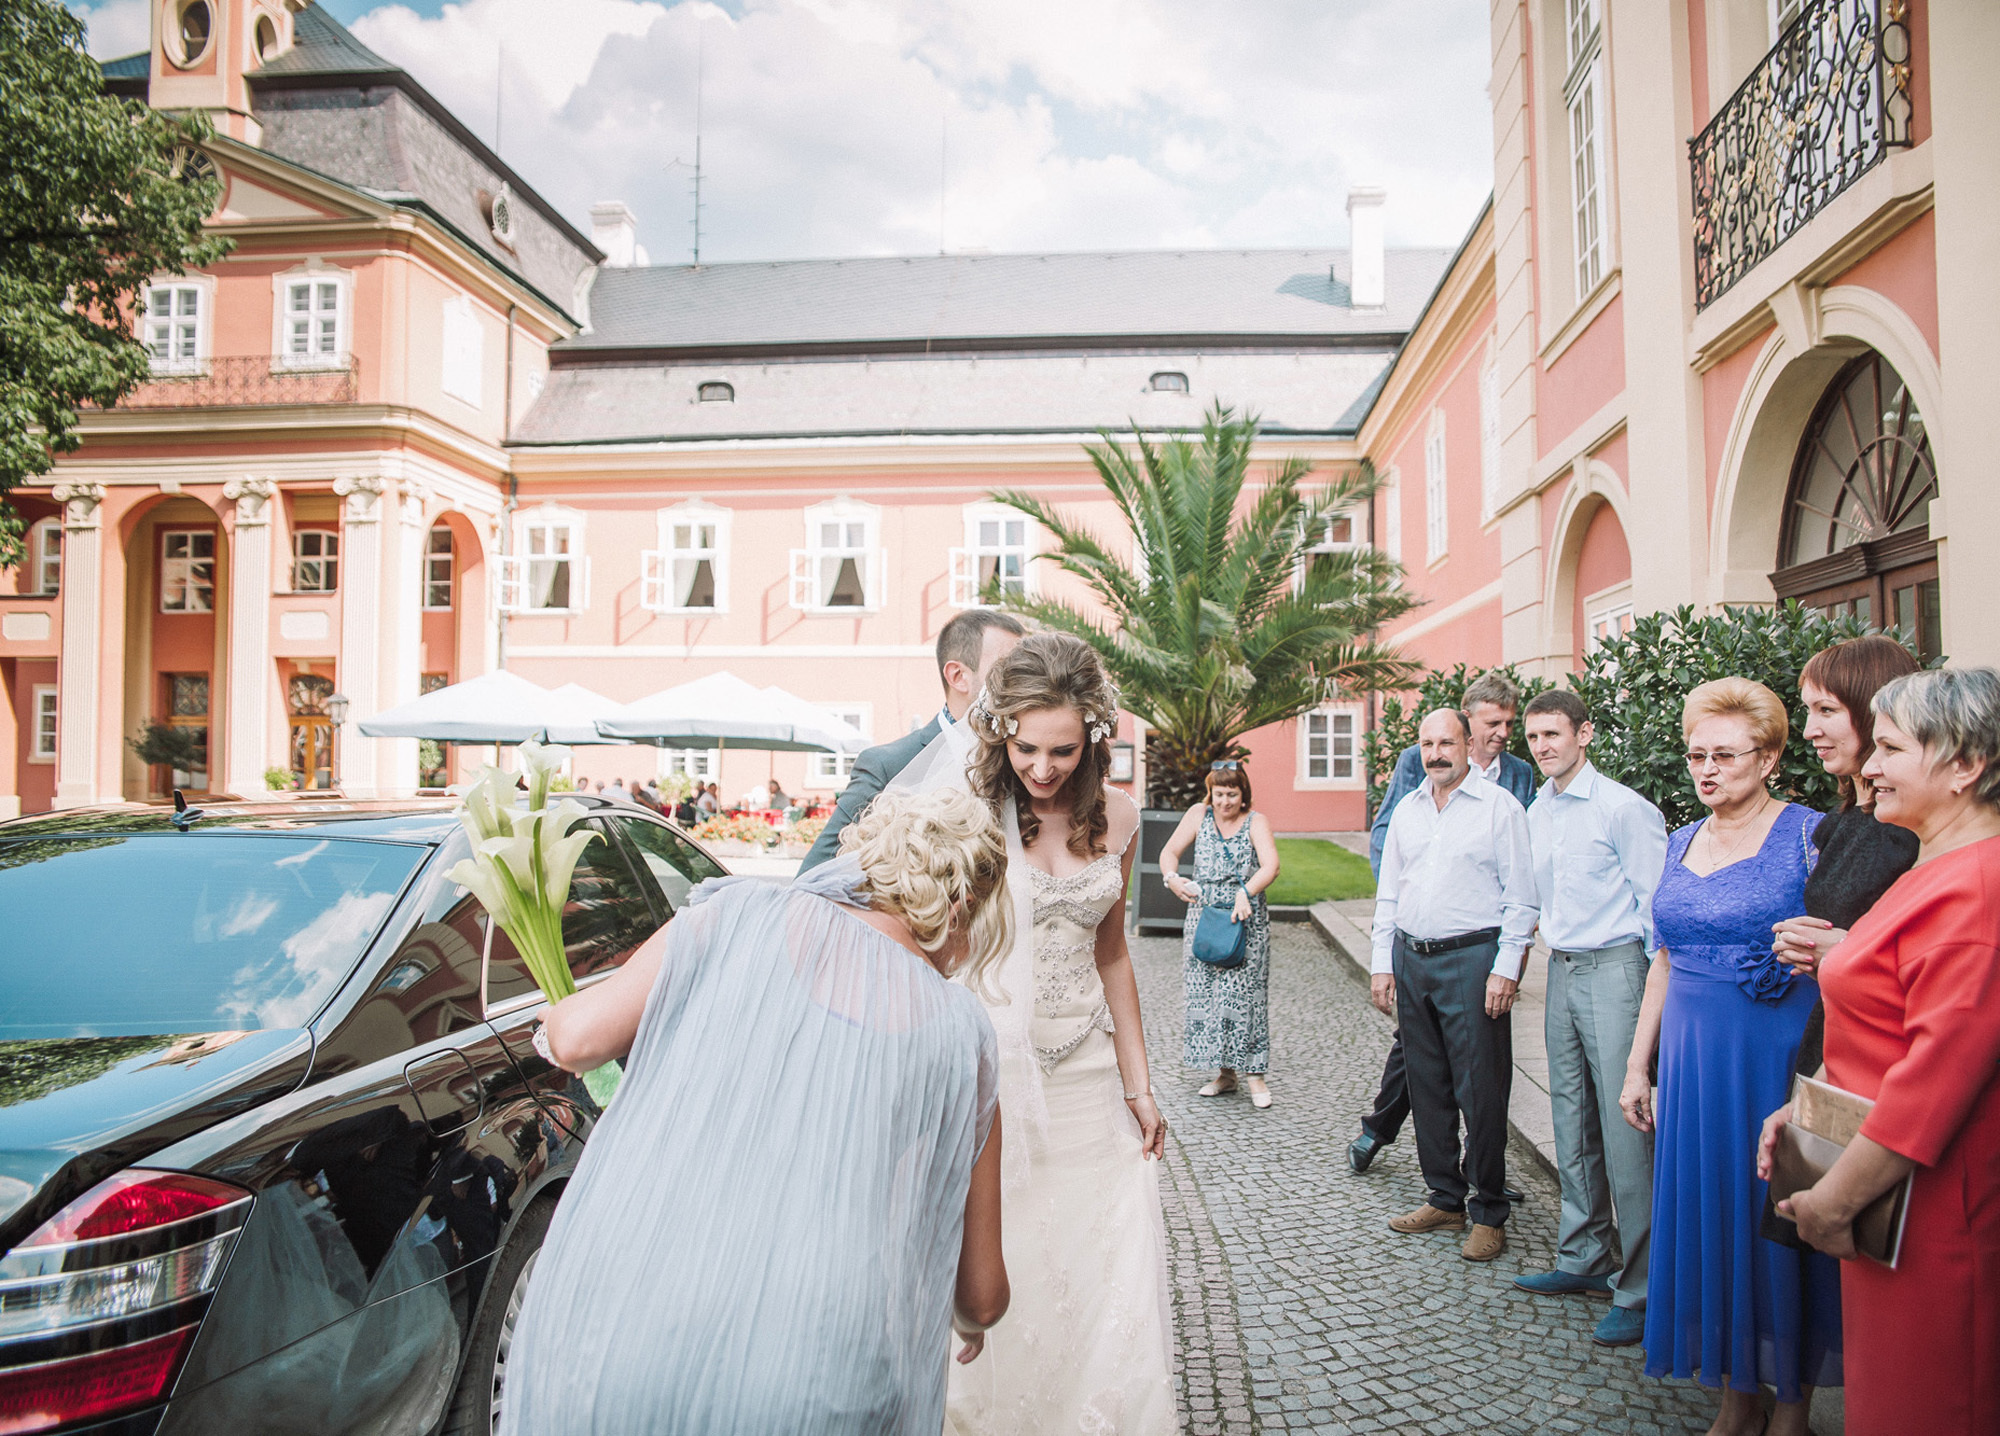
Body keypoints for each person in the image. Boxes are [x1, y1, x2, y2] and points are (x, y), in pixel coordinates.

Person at [497, 786, 1013, 1435]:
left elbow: (575, 1040)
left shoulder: (735, 911)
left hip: (624, 1319)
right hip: (816, 1368)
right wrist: (966, 1319)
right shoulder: (963, 1035)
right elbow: (983, 1297)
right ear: (962, 906)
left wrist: (553, 1014)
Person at [1757, 667, 2000, 1436]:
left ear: (1966, 765)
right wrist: (1805, 1114)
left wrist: (1834, 1200)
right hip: (1880, 1198)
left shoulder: (1979, 890)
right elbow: (1878, 1024)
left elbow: (1932, 1085)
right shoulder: (1930, 866)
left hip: (1931, 1212)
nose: (1871, 764)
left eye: (1892, 748)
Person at [943, 632, 1174, 1435]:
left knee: (1098, 1266)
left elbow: (1112, 954)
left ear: (1094, 740)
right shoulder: (969, 817)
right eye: (1027, 748)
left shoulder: (1121, 817)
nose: (1042, 769)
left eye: (1063, 751)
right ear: (1001, 735)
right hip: (995, 1082)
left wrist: (1139, 1086)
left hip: (1087, 1080)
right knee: (1002, 1256)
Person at [1620, 678, 1839, 1436]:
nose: (1707, 770)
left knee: (1772, 1216)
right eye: (1696, 756)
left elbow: (1847, 955)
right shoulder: (1680, 840)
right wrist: (1638, 1066)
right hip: (1690, 1060)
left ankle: (1792, 1407)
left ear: (1770, 757)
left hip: (1773, 1055)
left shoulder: (1811, 835)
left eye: (1725, 755)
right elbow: (1663, 960)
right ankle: (1735, 1396)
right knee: (1709, 1215)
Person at [1512, 689, 1666, 1348]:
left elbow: (1656, 911)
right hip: (1563, 970)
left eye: (1553, 734)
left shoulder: (1624, 809)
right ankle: (1583, 1256)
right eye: (1534, 737)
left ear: (1585, 734)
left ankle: (1642, 1286)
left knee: (1625, 1126)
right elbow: (1532, 898)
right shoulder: (1537, 810)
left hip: (1618, 971)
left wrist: (1655, 1003)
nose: (1543, 746)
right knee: (1570, 1114)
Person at [1351, 671, 1536, 1177]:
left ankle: (1485, 1179)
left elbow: (1521, 864)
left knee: (1480, 1074)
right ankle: (1411, 1157)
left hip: (1477, 944)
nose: (1502, 733)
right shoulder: (1419, 766)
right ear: (1469, 723)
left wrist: (1511, 950)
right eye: (1493, 723)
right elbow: (1389, 840)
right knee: (1420, 1061)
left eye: (1508, 723)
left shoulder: (1515, 779)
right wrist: (1408, 906)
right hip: (1418, 941)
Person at [1770, 635, 1921, 1075]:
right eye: (1808, 710)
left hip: (1887, 1051)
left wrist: (1843, 950)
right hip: (1835, 1029)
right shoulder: (1840, 823)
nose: (1809, 730)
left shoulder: (1912, 829)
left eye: (1826, 710)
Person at [800, 610, 1025, 872]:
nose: (1024, 681)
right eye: (1008, 669)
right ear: (958, 676)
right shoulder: (887, 765)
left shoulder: (1032, 760)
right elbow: (813, 876)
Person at [1160, 760, 1281, 1106]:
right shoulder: (1198, 814)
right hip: (1203, 915)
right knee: (1210, 996)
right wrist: (1172, 878)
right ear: (1210, 793)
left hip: (1243, 916)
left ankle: (1255, 1076)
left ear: (1244, 795)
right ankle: (1225, 1075)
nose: (1225, 801)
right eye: (1219, 794)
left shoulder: (1256, 821)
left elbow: (1271, 866)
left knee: (1246, 996)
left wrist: (1246, 892)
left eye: (1232, 794)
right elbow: (1169, 852)